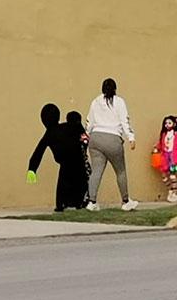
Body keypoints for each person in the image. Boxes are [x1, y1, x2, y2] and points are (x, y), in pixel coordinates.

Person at [85, 78, 138, 212]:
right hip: (113, 138)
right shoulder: (119, 102)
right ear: (115, 89)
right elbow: (125, 121)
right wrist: (131, 137)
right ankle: (125, 201)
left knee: (96, 171)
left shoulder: (95, 101)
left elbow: (89, 121)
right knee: (120, 171)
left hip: (96, 138)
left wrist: (86, 134)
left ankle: (92, 202)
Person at [26, 105, 89, 211]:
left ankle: (62, 204)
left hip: (65, 164)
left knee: (63, 185)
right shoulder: (70, 127)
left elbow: (38, 152)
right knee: (79, 183)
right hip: (78, 162)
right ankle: (78, 202)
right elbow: (84, 137)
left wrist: (32, 169)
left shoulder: (50, 133)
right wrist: (83, 146)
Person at [153, 115, 177, 203]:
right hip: (165, 157)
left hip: (174, 158)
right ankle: (170, 189)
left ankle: (174, 193)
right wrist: (156, 148)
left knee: (173, 175)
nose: (167, 125)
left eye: (169, 123)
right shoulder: (164, 134)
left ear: (174, 124)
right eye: (166, 123)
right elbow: (161, 143)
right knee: (164, 175)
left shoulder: (175, 134)